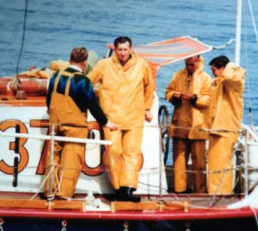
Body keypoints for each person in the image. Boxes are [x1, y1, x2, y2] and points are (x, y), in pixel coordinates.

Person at [44, 47, 117, 200]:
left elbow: (49, 99)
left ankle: (49, 190)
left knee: (53, 157)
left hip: (54, 123)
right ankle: (64, 193)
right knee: (71, 161)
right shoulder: (83, 81)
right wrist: (106, 122)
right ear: (84, 63)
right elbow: (92, 105)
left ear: (70, 60)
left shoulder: (56, 76)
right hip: (74, 126)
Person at [88, 36, 155, 202]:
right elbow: (88, 82)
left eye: (126, 49)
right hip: (112, 119)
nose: (123, 53)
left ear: (131, 49)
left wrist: (147, 108)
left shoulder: (142, 65)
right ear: (115, 50)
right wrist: (95, 98)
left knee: (131, 154)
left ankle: (127, 190)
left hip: (134, 117)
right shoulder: (104, 65)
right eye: (120, 50)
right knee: (113, 153)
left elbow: (150, 87)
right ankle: (117, 188)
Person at [165, 55, 211, 193]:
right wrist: (174, 96)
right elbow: (168, 91)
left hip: (198, 126)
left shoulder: (205, 78)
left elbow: (209, 99)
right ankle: (180, 190)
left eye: (191, 65)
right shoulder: (178, 75)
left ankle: (200, 192)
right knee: (179, 161)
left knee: (199, 163)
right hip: (180, 124)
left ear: (198, 61)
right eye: (187, 64)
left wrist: (195, 98)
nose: (189, 67)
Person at [208, 55, 245, 195]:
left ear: (222, 69)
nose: (213, 73)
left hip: (227, 128)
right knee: (215, 166)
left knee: (222, 166)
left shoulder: (235, 81)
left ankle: (222, 194)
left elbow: (231, 78)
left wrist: (230, 67)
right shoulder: (219, 82)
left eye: (214, 70)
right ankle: (215, 192)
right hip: (216, 127)